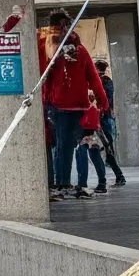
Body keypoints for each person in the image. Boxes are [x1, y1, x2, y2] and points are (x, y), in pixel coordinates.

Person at [42, 31, 107, 198]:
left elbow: (46, 79)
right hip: (78, 107)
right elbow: (93, 78)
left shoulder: (55, 53)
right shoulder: (81, 51)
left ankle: (62, 183)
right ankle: (80, 183)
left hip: (60, 107)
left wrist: (46, 102)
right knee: (81, 146)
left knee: (63, 147)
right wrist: (102, 101)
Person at [94, 60, 127, 186]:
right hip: (105, 117)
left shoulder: (101, 82)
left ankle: (116, 176)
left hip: (101, 118)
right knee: (107, 147)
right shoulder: (108, 82)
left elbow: (104, 101)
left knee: (106, 148)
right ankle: (118, 175)